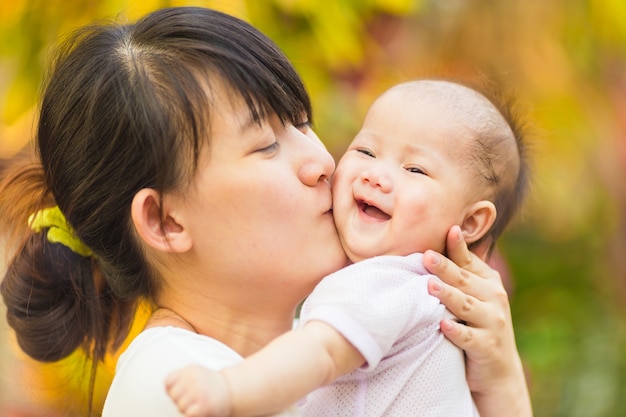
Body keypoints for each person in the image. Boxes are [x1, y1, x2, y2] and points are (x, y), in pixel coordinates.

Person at [0, 7, 532, 417]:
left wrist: (500, 385)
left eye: (302, 123)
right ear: (166, 221)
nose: (324, 162)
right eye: (266, 145)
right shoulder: (177, 386)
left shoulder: (317, 373)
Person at [163, 79, 528, 417]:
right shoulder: (429, 303)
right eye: (366, 150)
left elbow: (319, 353)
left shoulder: (388, 282)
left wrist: (228, 387)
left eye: (415, 169)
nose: (375, 174)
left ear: (471, 223)